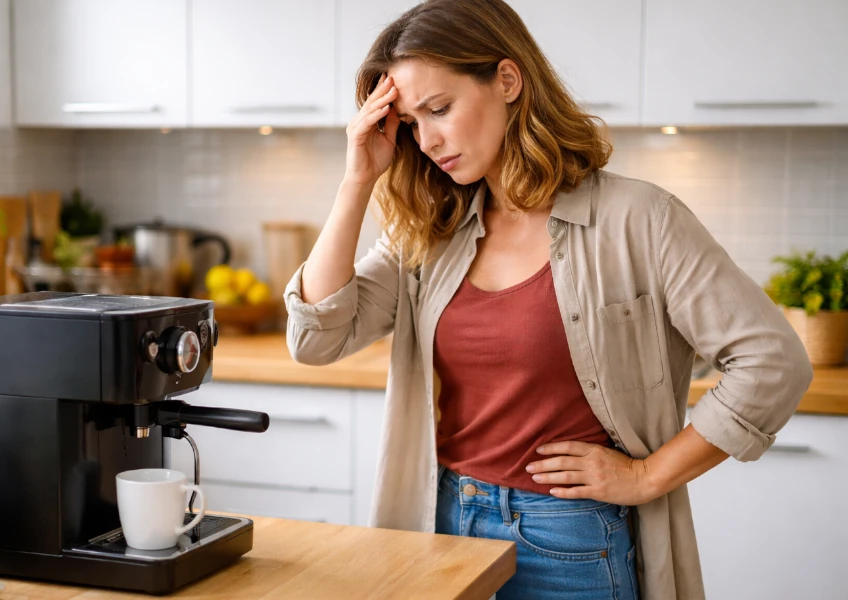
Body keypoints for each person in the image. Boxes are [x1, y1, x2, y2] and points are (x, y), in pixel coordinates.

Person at [283, 1, 813, 598]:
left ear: (507, 80)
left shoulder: (639, 218)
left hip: (570, 540)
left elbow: (773, 363)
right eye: (409, 123)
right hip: (438, 521)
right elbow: (315, 339)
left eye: (439, 109)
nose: (426, 140)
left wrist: (645, 477)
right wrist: (357, 179)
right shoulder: (428, 233)